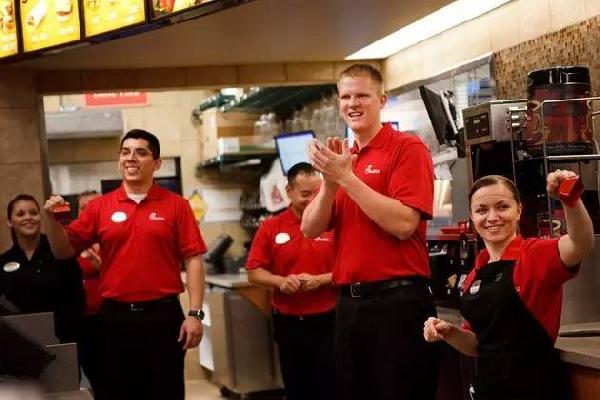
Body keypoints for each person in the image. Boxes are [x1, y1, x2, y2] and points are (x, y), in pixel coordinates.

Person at [302, 63, 438, 400]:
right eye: (346, 96)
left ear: (381, 100)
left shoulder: (406, 148)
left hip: (398, 303)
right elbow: (309, 227)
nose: (353, 103)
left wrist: (347, 178)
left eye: (362, 95)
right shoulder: (342, 158)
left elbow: (405, 224)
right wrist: (331, 182)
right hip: (350, 304)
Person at [41, 129, 207, 400]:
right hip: (115, 319)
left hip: (163, 317)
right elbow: (63, 251)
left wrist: (195, 314)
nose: (131, 158)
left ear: (157, 163)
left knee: (167, 392)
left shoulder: (177, 206)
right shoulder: (100, 207)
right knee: (121, 394)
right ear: (119, 160)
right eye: (125, 152)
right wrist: (52, 221)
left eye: (141, 152)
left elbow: (194, 258)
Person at [423, 172, 594, 400]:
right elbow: (477, 344)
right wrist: (449, 332)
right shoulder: (477, 271)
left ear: (519, 211)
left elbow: (580, 243)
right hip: (490, 389)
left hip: (536, 388)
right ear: (472, 217)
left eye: (502, 206)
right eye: (482, 210)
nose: (492, 217)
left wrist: (570, 200)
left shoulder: (534, 254)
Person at [246, 162, 337, 400]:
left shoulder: (334, 224)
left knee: (331, 387)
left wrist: (321, 280)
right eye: (305, 194)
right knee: (297, 387)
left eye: (316, 193)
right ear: (289, 191)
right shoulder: (270, 227)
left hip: (330, 320)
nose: (311, 200)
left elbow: (351, 271)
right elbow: (254, 272)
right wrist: (280, 282)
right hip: (289, 323)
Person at [0, 194, 84, 344]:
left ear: (41, 217)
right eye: (20, 214)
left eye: (34, 213)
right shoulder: (4, 261)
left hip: (63, 337)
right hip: (20, 342)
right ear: (9, 222)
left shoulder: (59, 251)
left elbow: (77, 297)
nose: (28, 217)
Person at [75, 190, 102, 395]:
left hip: (112, 318)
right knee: (93, 374)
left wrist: (103, 267)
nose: (89, 210)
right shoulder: (71, 243)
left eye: (93, 204)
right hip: (82, 322)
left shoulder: (115, 238)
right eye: (83, 207)